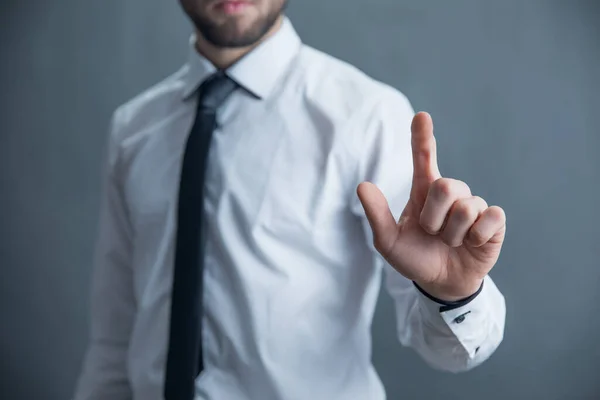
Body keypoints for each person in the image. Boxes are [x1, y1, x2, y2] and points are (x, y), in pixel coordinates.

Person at [73, 0, 507, 399]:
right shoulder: (133, 130)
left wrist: (454, 295)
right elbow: (115, 342)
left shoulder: (365, 116)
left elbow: (452, 351)